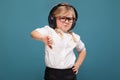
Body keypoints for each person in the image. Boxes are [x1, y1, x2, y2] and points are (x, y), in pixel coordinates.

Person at [31, 2, 86, 80]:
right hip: (52, 73)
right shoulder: (49, 31)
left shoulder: (75, 37)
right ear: (53, 19)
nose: (66, 21)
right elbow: (33, 34)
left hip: (69, 73)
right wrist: (42, 38)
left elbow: (82, 50)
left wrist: (78, 64)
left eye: (70, 19)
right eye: (63, 18)